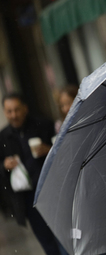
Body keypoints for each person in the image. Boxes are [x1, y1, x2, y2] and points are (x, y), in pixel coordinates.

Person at [0, 93, 65, 255]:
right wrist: (4, 165)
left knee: (64, 237)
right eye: (9, 111)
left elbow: (64, 153)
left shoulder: (43, 124)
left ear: (25, 109)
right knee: (47, 242)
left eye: (17, 110)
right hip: (28, 199)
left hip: (52, 192)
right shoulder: (3, 137)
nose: (13, 115)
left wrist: (48, 149)